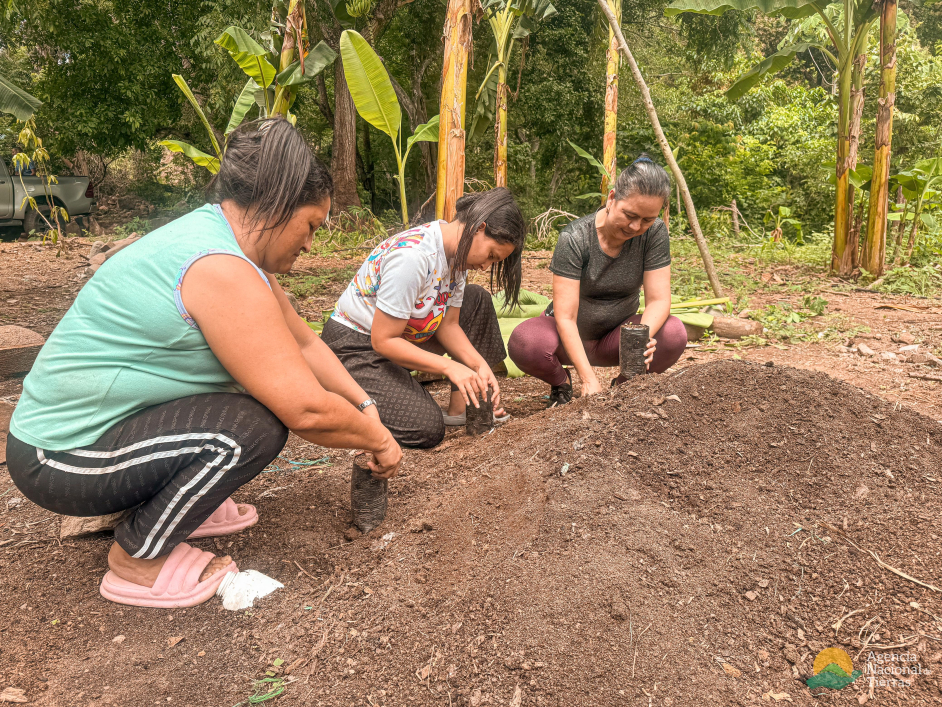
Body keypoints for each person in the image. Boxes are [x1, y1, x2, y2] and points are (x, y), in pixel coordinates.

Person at [5, 117, 401, 608]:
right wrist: (379, 440)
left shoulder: (225, 244)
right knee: (252, 426)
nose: (310, 243)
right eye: (311, 225)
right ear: (276, 205)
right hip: (60, 458)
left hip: (88, 437)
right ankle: (138, 560)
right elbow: (307, 410)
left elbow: (303, 344)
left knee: (253, 396)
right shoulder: (220, 268)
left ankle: (186, 502)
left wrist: (365, 405)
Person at [322, 188, 526, 449]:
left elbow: (449, 325)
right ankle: (343, 391)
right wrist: (450, 367)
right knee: (425, 428)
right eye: (490, 256)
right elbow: (383, 341)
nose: (486, 266)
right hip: (356, 347)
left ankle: (460, 408)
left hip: (401, 337)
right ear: (478, 228)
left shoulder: (457, 256)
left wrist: (477, 365)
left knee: (476, 299)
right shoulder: (413, 257)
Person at [508, 154, 686, 405]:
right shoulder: (575, 238)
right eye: (630, 215)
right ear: (612, 198)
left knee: (674, 332)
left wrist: (638, 342)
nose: (636, 227)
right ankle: (561, 383)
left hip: (618, 337)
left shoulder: (655, 234)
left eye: (647, 219)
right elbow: (566, 317)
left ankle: (626, 387)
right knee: (525, 341)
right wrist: (588, 379)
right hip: (569, 336)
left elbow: (658, 300)